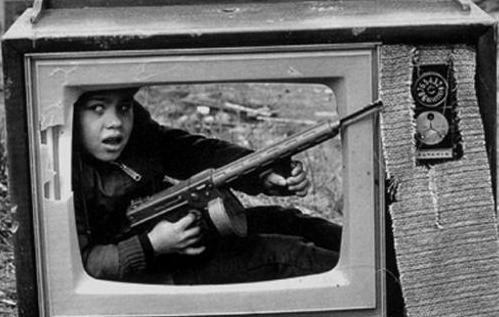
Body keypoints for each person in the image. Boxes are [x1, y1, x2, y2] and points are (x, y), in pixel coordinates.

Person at [72, 88, 341, 284]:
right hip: (156, 271)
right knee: (280, 255)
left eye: (124, 107)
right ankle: (376, 282)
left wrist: (263, 174)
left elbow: (194, 153)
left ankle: (381, 249)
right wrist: (152, 244)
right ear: (70, 112)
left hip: (188, 238)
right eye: (97, 108)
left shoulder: (137, 134)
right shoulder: (66, 175)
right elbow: (85, 265)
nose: (115, 122)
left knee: (286, 220)